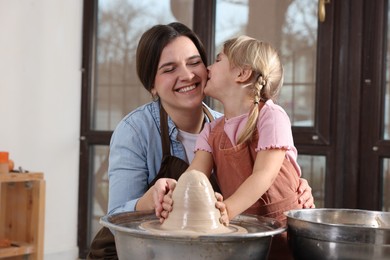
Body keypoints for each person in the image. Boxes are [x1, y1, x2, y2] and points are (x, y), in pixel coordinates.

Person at [87, 22, 314, 259]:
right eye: (169, 69)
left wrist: (291, 186)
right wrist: (155, 199)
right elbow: (116, 217)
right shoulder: (137, 130)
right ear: (152, 85)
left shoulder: (245, 119)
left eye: (194, 62)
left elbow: (264, 173)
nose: (187, 75)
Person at [156, 35, 314, 259]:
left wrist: (226, 210)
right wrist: (176, 199)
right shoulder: (210, 131)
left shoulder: (271, 115)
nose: (208, 67)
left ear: (242, 73)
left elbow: (264, 175)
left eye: (218, 60)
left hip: (288, 234)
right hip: (244, 233)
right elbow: (194, 177)